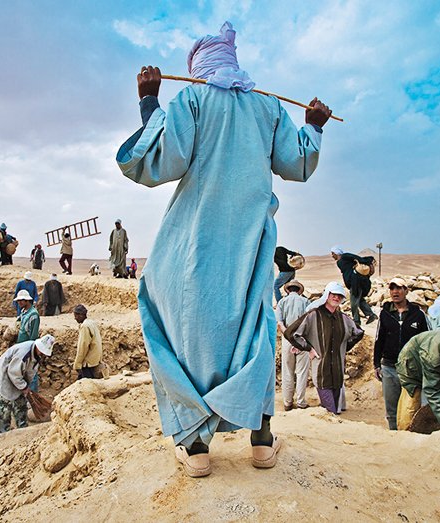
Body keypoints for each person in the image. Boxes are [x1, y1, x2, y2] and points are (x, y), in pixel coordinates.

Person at [115, 21, 331, 477]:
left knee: (179, 324)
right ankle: (262, 440)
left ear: (197, 69)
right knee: (255, 330)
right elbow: (297, 163)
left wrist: (149, 101)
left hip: (196, 246)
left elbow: (158, 162)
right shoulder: (268, 106)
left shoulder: (192, 99)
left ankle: (196, 447)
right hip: (252, 245)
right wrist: (312, 127)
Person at [287, 282, 363, 414]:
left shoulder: (343, 318)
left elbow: (358, 333)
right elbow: (292, 333)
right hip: (322, 371)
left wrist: (344, 347)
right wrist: (308, 348)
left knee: (334, 412)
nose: (336, 298)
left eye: (339, 295)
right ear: (327, 295)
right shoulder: (314, 315)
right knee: (330, 411)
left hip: (338, 373)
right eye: (333, 294)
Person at [373, 277, 429, 430]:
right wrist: (376, 364)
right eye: (392, 288)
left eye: (399, 288)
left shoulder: (418, 315)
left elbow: (426, 341)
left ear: (406, 291)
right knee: (391, 407)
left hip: (411, 369)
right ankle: (394, 434)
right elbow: (379, 339)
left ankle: (412, 436)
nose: (395, 292)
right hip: (389, 367)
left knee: (412, 407)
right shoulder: (385, 314)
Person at [0, 335, 55, 433]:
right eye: (42, 351)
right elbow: (13, 373)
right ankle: (2, 431)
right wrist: (24, 387)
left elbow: (28, 371)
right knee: (6, 404)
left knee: (21, 403)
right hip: (6, 375)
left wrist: (25, 386)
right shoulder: (24, 353)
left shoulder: (36, 354)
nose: (42, 354)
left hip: (18, 377)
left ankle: (22, 428)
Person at [275, 280, 310, 410]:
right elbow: (309, 323)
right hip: (303, 339)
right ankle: (301, 402)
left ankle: (287, 402)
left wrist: (289, 336)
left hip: (287, 339)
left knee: (287, 371)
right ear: (299, 290)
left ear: (288, 290)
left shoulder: (282, 302)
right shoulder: (306, 302)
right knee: (302, 371)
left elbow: (280, 323)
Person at [330, 246, 377, 326]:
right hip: (353, 283)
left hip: (356, 282)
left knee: (353, 303)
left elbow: (357, 258)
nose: (332, 255)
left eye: (332, 253)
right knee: (360, 300)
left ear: (336, 253)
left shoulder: (345, 256)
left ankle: (356, 321)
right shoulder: (339, 262)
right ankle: (371, 315)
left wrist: (368, 260)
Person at [73, 304, 102, 380]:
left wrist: (77, 364)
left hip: (88, 363)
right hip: (95, 360)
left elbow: (83, 347)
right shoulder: (92, 323)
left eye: (76, 315)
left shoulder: (85, 326)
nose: (75, 318)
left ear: (81, 315)